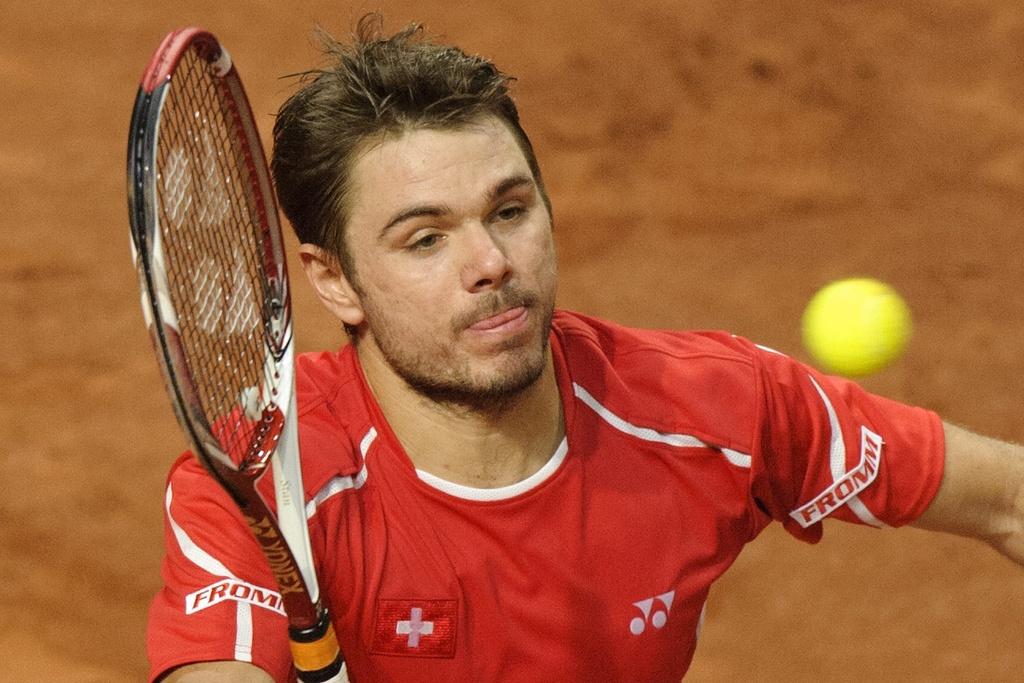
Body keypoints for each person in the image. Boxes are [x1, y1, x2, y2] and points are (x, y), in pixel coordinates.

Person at [147, 15, 1024, 682]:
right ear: (333, 280)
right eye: (425, 239)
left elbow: (1010, 498)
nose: (491, 263)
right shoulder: (267, 479)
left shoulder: (707, 407)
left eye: (510, 210)